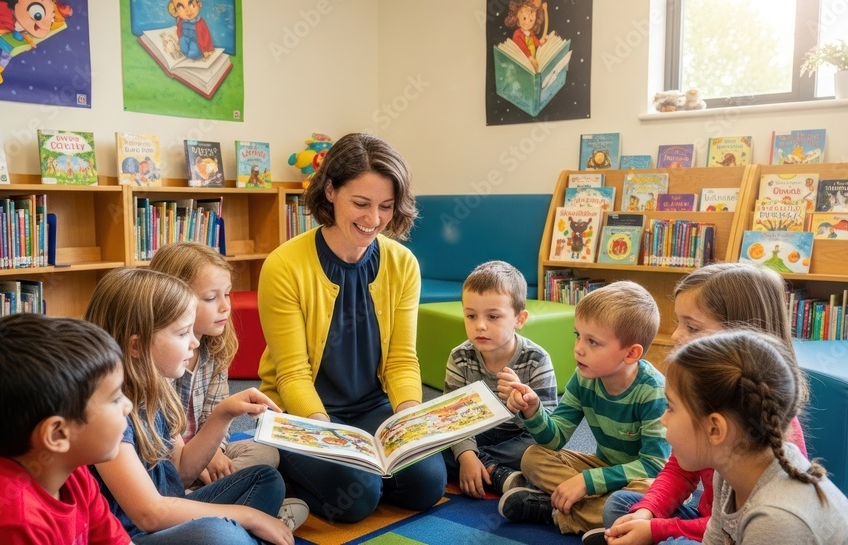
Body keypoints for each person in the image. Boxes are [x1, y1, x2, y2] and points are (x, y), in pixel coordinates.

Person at [257, 132, 446, 523]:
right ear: (330, 191)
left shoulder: (403, 263)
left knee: (427, 485)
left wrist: (408, 419)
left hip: (370, 407)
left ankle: (362, 471)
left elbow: (401, 360)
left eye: (386, 206)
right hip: (303, 414)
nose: (373, 219)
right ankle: (292, 466)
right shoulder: (284, 266)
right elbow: (292, 374)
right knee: (356, 499)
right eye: (360, 203)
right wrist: (326, 439)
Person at [85, 267, 305, 545]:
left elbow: (183, 475)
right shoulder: (108, 411)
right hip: (132, 536)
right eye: (182, 334)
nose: (194, 342)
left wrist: (223, 414)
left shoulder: (157, 388)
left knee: (266, 479)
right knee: (222, 534)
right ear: (136, 346)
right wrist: (248, 516)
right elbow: (149, 514)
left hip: (168, 515)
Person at [596, 262, 809, 545]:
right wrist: (647, 513)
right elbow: (679, 468)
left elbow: (740, 526)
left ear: (738, 337)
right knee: (621, 505)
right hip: (709, 524)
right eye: (678, 323)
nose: (675, 336)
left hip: (744, 534)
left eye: (692, 327)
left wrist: (658, 530)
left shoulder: (765, 420)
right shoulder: (701, 396)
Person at [0, 313, 133, 545]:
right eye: (116, 398)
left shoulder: (73, 472)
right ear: (57, 434)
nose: (128, 406)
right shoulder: (12, 526)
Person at [664, 331, 848, 544]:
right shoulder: (729, 471)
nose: (663, 419)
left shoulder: (775, 519)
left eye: (670, 408)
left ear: (715, 430)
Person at [498, 281, 670, 535]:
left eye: (593, 342)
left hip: (642, 478)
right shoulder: (583, 378)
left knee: (650, 492)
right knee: (533, 457)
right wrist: (533, 410)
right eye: (578, 335)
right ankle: (601, 516)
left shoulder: (653, 391)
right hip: (603, 466)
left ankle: (555, 510)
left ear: (631, 354)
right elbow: (554, 440)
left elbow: (655, 465)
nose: (578, 348)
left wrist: (587, 482)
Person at [149, 241, 280, 488]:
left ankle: (207, 492)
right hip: (164, 462)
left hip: (201, 449)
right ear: (173, 299)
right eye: (211, 298)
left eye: (227, 293)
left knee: (266, 454)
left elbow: (214, 417)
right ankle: (206, 495)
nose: (226, 306)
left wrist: (215, 452)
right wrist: (201, 458)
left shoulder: (216, 349)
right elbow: (162, 447)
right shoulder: (161, 359)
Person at [443, 260, 558, 498]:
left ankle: (478, 465)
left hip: (520, 438)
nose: (480, 326)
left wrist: (528, 407)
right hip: (475, 432)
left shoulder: (537, 359)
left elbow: (550, 430)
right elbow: (452, 420)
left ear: (519, 319)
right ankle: (498, 474)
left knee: (540, 453)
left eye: (493, 317)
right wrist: (466, 452)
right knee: (433, 447)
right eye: (471, 316)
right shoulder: (460, 357)